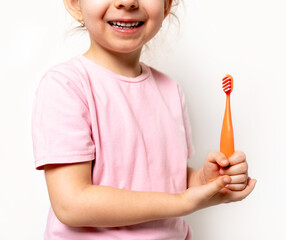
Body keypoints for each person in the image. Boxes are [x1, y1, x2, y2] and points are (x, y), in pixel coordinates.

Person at [31, 0, 257, 239]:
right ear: (75, 4)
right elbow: (71, 204)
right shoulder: (66, 86)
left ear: (167, 5)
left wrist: (203, 180)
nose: (127, 2)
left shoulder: (170, 90)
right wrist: (182, 202)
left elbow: (167, 178)